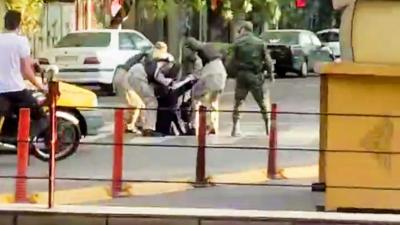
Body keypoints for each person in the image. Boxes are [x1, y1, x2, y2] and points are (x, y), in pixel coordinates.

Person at [113, 41, 174, 135]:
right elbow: (155, 74)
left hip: (127, 73)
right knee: (151, 102)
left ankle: (130, 125)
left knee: (136, 103)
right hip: (136, 74)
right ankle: (148, 129)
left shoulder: (147, 53)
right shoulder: (162, 56)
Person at [0, 10, 46, 123]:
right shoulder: (21, 41)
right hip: (17, 90)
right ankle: (27, 139)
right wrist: (40, 86)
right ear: (19, 24)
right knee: (40, 116)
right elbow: (26, 70)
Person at [230, 21, 274, 137]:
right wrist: (271, 75)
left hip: (242, 76)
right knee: (262, 102)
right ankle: (267, 127)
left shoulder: (237, 43)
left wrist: (233, 73)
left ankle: (235, 128)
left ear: (244, 29)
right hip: (256, 76)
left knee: (238, 102)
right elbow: (268, 61)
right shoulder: (260, 43)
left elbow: (230, 61)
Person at [184, 37, 227, 135]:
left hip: (210, 74)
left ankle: (194, 124)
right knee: (213, 101)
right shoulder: (210, 47)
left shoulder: (200, 52)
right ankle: (212, 125)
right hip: (221, 73)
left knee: (196, 96)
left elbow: (197, 71)